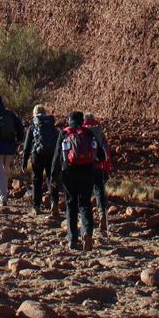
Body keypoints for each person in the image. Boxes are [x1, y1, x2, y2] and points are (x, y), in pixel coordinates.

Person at [51, 110, 106, 250]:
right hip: (87, 172)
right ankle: (87, 232)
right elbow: (101, 155)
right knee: (85, 204)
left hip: (68, 172)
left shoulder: (64, 133)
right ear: (82, 121)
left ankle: (72, 239)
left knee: (71, 205)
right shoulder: (88, 133)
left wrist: (53, 177)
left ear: (69, 120)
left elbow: (57, 156)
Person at [21, 104, 60, 218]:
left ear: (34, 112)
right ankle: (54, 202)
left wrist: (24, 162)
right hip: (51, 155)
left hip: (37, 155)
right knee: (50, 178)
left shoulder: (34, 125)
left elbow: (27, 146)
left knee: (37, 179)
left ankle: (36, 207)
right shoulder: (51, 125)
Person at [84, 112, 111, 234]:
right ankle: (102, 215)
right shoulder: (99, 131)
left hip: (84, 167)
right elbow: (106, 152)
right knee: (99, 190)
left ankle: (87, 219)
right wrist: (106, 169)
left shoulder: (80, 130)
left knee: (85, 192)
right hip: (98, 166)